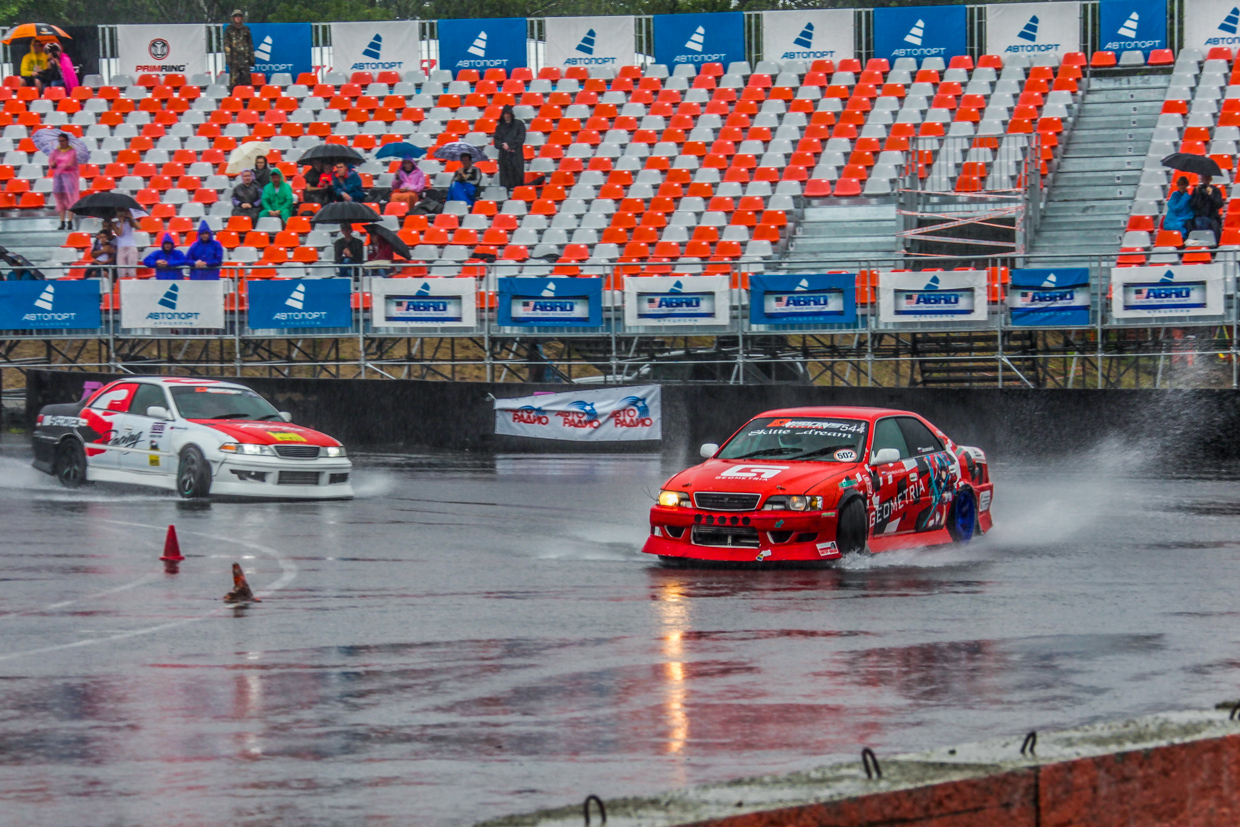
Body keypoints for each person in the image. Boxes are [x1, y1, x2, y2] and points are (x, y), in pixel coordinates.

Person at [48, 132, 79, 231]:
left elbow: (70, 164)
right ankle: (62, 222)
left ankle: (70, 221)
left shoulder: (72, 151)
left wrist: (58, 164)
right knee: (60, 200)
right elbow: (51, 164)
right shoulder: (55, 152)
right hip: (58, 178)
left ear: (67, 141)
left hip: (69, 177)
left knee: (70, 199)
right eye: (59, 141)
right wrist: (53, 164)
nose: (61, 143)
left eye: (63, 141)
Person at [494, 105, 526, 192]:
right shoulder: (499, 127)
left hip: (516, 156)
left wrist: (510, 146)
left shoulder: (519, 124)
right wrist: (502, 146)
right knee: (505, 180)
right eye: (505, 114)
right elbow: (496, 142)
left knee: (518, 179)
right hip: (504, 157)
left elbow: (521, 138)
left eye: (508, 114)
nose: (507, 116)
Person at [223, 9, 254, 93]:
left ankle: (247, 96)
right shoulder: (229, 29)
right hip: (234, 59)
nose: (237, 18)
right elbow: (226, 44)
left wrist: (252, 57)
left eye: (239, 16)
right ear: (233, 18)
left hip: (245, 58)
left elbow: (250, 44)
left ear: (242, 18)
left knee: (246, 79)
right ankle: (233, 96)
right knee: (234, 80)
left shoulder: (246, 29)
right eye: (236, 16)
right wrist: (228, 57)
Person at [1191, 174, 1225, 244]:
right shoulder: (1197, 190)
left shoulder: (1215, 190)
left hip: (1212, 216)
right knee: (1198, 222)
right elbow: (1193, 205)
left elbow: (1219, 204)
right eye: (1204, 179)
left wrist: (1211, 195)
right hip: (1199, 216)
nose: (1205, 181)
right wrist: (1198, 194)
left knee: (1214, 227)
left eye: (1207, 179)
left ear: (1210, 179)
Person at [111, 210, 138, 279]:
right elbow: (119, 233)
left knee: (132, 270)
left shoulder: (129, 221)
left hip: (131, 246)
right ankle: (122, 283)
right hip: (121, 247)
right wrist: (121, 222)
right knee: (121, 270)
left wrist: (131, 217)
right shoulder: (114, 223)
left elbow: (139, 227)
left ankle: (132, 281)